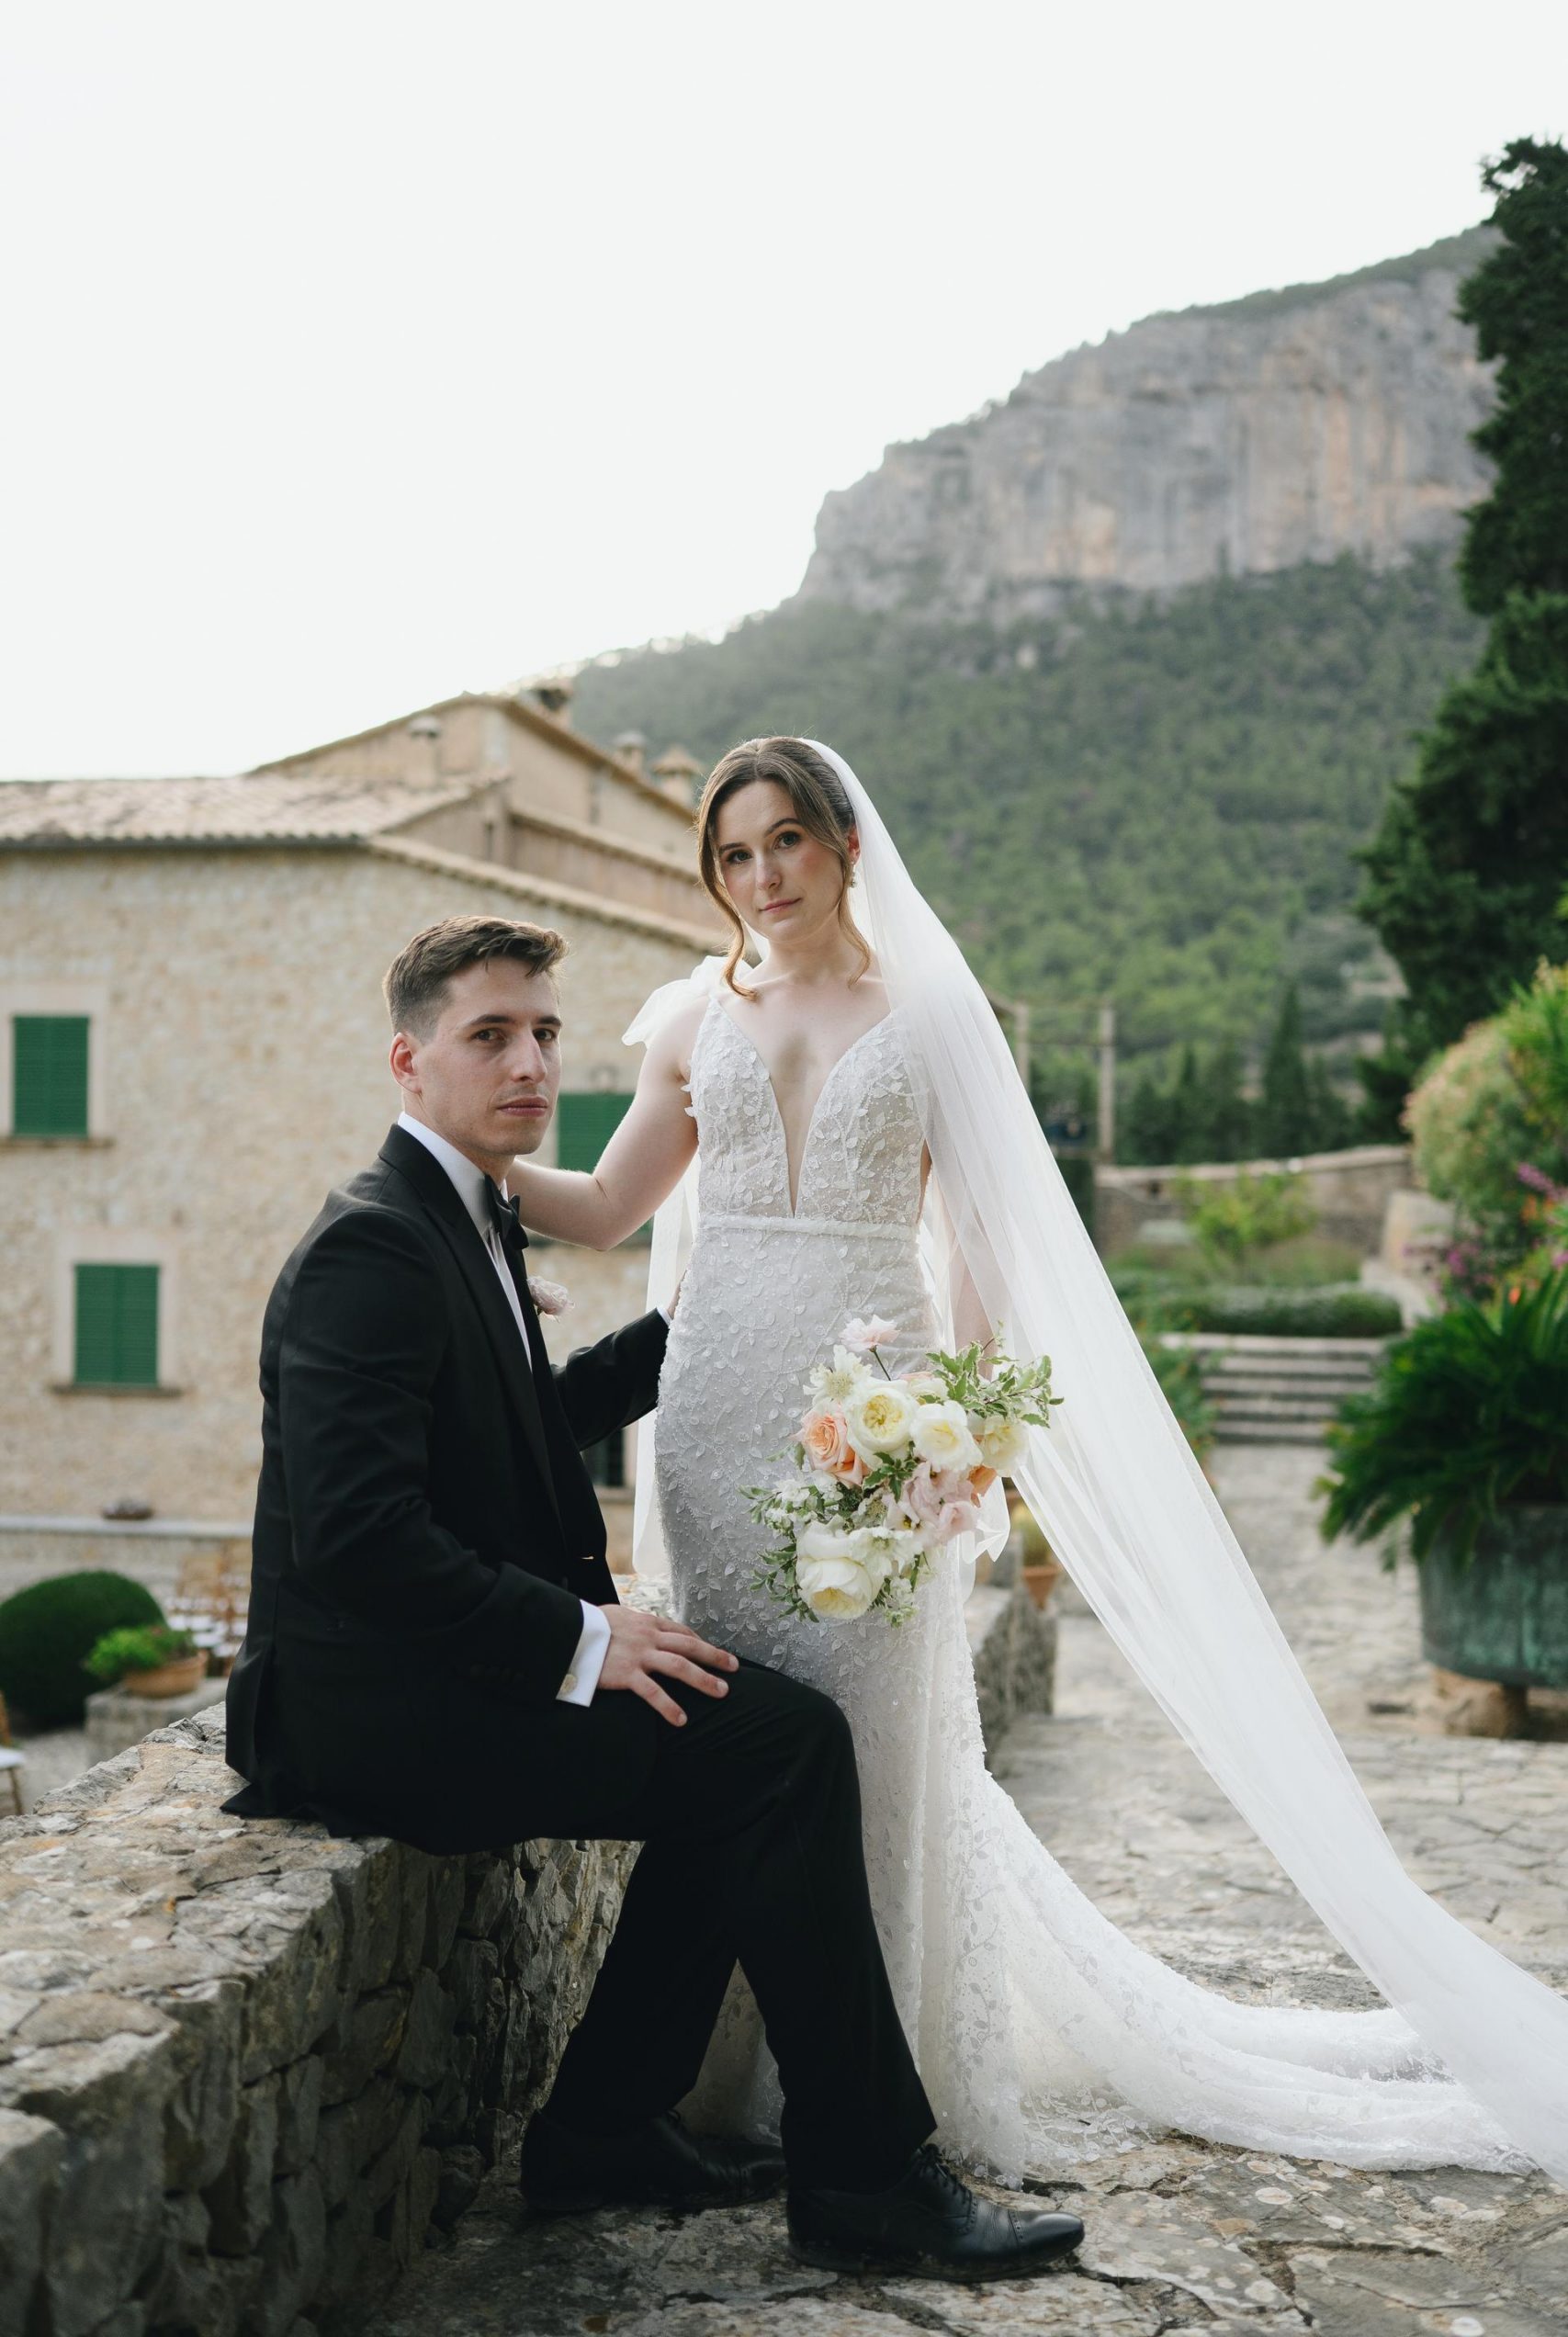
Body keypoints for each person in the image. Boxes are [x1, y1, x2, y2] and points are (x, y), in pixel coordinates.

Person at [509, 737, 1568, 2187]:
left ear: (841, 847)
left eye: (784, 847)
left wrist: (949, 1435)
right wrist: (469, 1153)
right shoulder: (694, 1014)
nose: (760, 879)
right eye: (734, 856)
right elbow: (611, 1203)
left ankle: (870, 2088)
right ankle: (723, 2081)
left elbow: (991, 1245)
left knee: (868, 1752)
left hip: (867, 1429)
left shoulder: (931, 1016)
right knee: (730, 1748)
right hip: (706, 1428)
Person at [222, 912, 1084, 2281]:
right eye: (489, 1036)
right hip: (372, 1714)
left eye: (547, 1034)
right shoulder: (372, 1247)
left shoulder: (467, 1214)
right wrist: (582, 1639)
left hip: (434, 1676)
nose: (531, 1064)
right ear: (408, 1061)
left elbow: (510, 1435)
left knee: (736, 1755)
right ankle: (862, 2178)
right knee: (779, 1748)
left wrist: (711, 1329)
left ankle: (605, 2131)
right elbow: (360, 1539)